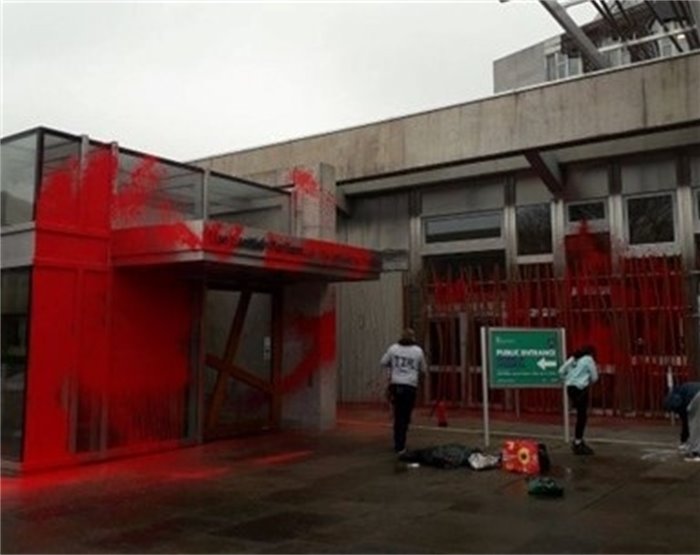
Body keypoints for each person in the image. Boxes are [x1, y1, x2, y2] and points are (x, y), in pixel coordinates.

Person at [380, 328, 426, 455]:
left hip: (396, 385)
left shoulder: (393, 349)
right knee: (405, 415)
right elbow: (423, 369)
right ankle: (401, 444)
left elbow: (383, 362)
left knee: (398, 415)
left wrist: (394, 367)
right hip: (410, 386)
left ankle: (398, 443)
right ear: (413, 338)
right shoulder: (418, 351)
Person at [559, 345, 599, 455]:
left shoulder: (573, 358)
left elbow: (561, 370)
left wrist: (567, 380)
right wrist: (587, 380)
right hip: (581, 389)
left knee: (580, 415)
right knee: (582, 416)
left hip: (570, 388)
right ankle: (578, 442)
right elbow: (595, 377)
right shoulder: (588, 359)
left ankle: (578, 440)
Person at [663, 381, 700, 461]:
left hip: (697, 397)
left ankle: (696, 453)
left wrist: (683, 440)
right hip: (696, 394)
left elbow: (686, 422)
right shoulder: (679, 390)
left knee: (695, 425)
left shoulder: (677, 399)